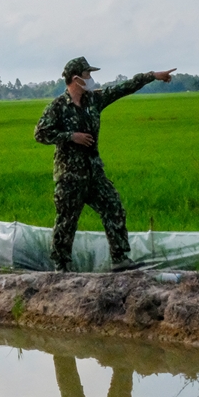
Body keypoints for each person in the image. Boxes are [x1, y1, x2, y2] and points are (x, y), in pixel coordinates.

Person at [34, 57, 175, 272]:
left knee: (113, 207)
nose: (91, 79)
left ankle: (120, 258)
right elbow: (40, 133)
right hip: (70, 176)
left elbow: (122, 88)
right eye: (87, 74)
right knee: (67, 221)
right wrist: (71, 136)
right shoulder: (58, 107)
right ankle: (61, 266)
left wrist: (152, 76)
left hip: (93, 173)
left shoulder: (94, 101)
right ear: (76, 78)